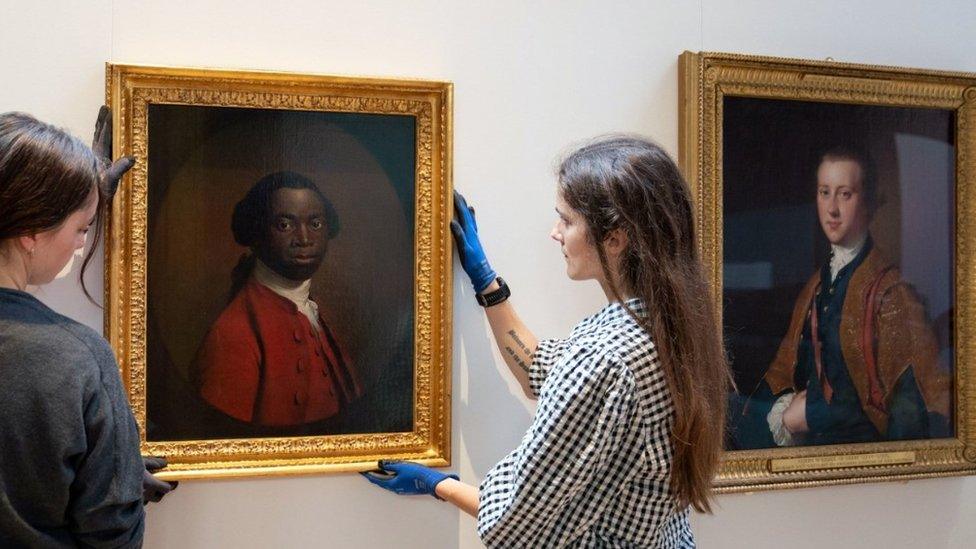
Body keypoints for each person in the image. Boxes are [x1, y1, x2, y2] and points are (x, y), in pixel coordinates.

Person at [363, 135, 729, 547]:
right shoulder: (673, 329)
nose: (556, 233)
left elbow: (511, 523)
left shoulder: (603, 360)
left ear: (615, 238)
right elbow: (541, 368)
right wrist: (487, 282)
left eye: (568, 220)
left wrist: (438, 485)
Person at [0, 108, 175, 548]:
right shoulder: (77, 358)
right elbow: (111, 535)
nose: (82, 245)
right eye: (81, 230)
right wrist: (122, 486)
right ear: (31, 230)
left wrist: (71, 192)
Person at [730, 147, 950, 449]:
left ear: (869, 204)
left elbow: (906, 415)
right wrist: (781, 416)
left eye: (845, 194)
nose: (832, 209)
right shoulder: (817, 285)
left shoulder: (892, 294)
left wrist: (809, 417)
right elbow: (785, 368)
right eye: (824, 192)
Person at [193, 171, 362, 427]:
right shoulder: (232, 334)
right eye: (285, 225)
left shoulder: (314, 312)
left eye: (315, 224)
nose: (304, 239)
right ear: (256, 232)